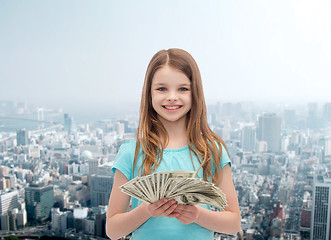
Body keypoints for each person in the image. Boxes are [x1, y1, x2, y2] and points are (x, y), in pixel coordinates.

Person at [106, 48, 241, 240]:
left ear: (195, 94)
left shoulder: (211, 151)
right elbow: (112, 230)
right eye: (162, 88)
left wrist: (197, 215)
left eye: (183, 89)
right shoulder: (132, 152)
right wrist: (146, 210)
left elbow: (233, 224)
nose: (171, 97)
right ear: (149, 93)